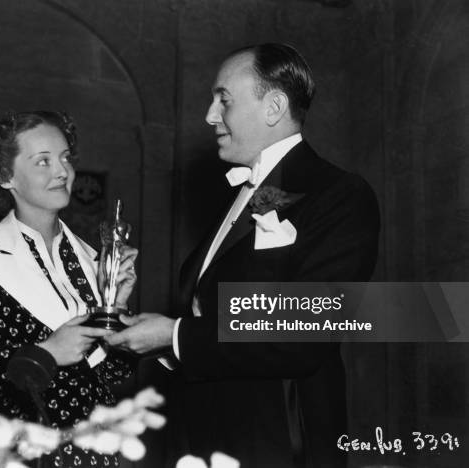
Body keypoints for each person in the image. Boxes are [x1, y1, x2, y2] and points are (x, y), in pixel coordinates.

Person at [106, 44, 380, 467]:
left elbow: (306, 333)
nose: (210, 115)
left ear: (273, 107)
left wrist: (176, 335)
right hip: (205, 438)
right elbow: (212, 320)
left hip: (278, 445)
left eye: (224, 100)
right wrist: (156, 337)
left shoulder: (339, 194)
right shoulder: (245, 195)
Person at [0, 110, 137, 468]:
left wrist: (114, 309)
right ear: (6, 176)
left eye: (65, 158)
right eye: (43, 161)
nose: (62, 171)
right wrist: (44, 353)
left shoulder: (93, 259)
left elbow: (114, 374)